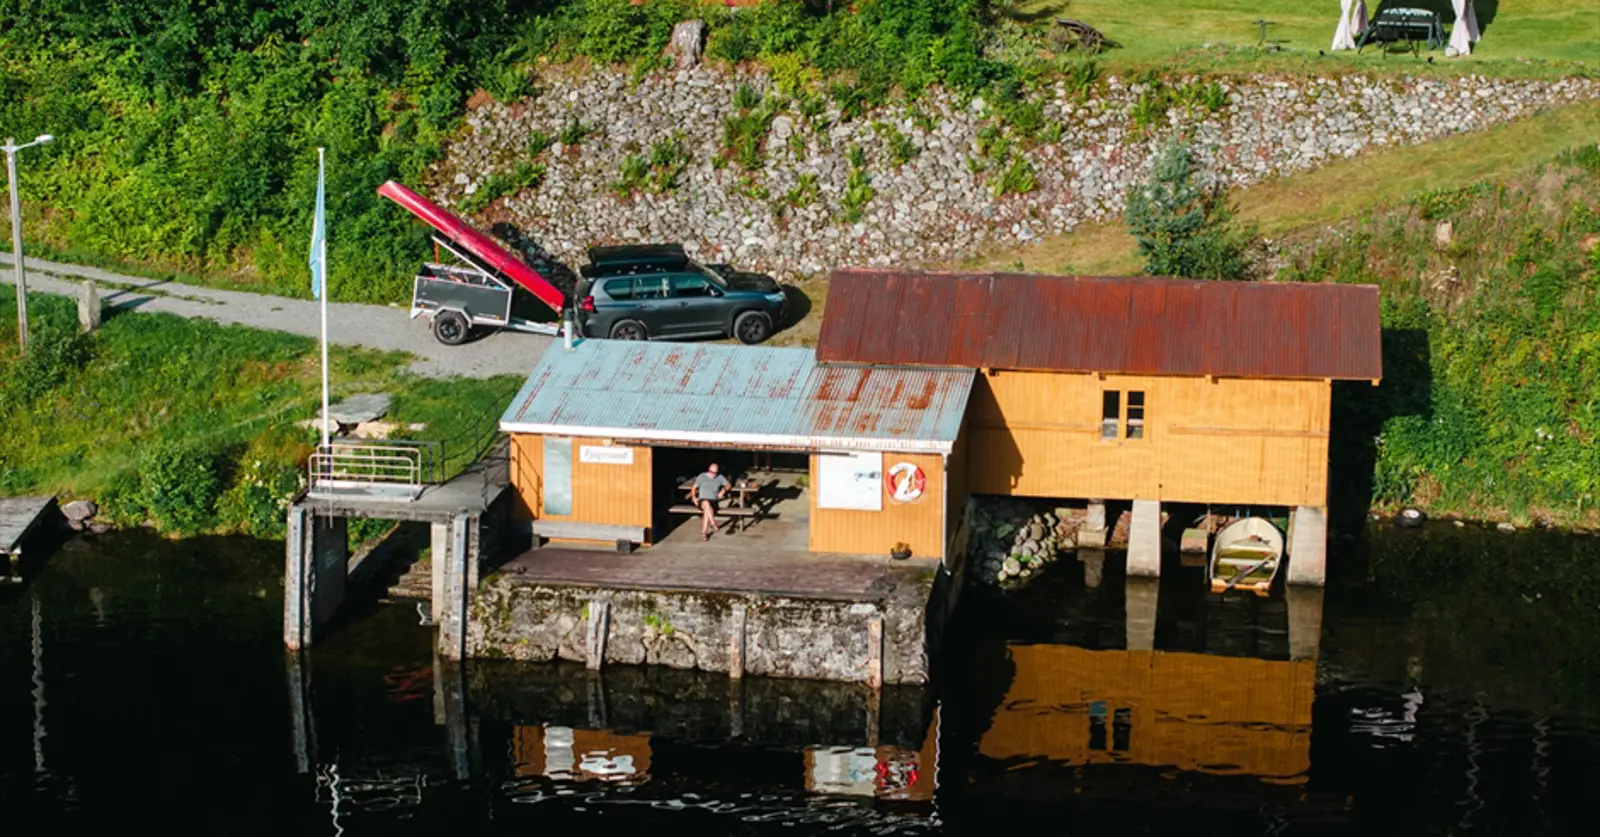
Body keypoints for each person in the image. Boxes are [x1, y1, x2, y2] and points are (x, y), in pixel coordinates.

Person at [691, 462, 731, 541]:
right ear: (708, 470)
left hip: (713, 500)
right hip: (702, 500)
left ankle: (704, 533)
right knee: (706, 503)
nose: (712, 474)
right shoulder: (702, 476)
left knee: (707, 509)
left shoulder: (720, 477)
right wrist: (694, 497)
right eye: (711, 472)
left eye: (715, 472)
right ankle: (712, 523)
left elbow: (728, 485)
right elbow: (694, 487)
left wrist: (723, 491)